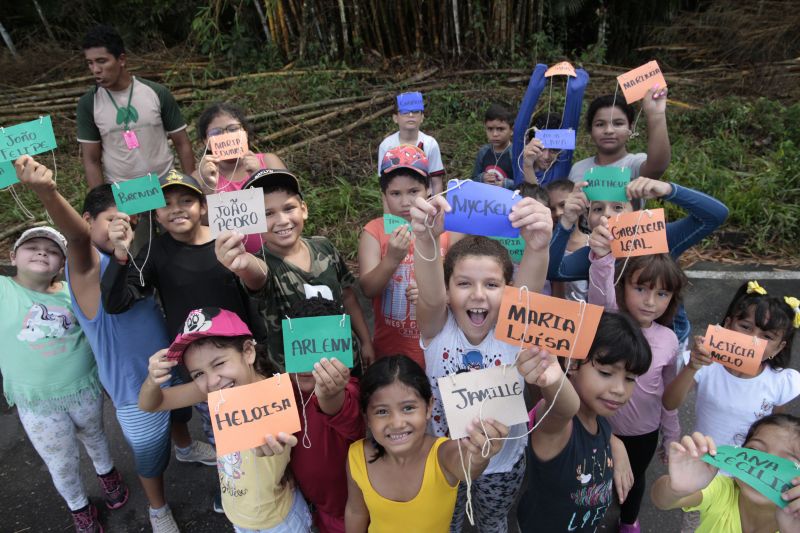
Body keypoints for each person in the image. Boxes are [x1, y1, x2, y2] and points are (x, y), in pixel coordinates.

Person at [14, 156, 211, 531]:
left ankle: (185, 448)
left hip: (172, 365)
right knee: (151, 456)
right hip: (135, 390)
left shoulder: (134, 259)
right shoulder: (87, 268)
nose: (125, 224)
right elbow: (74, 236)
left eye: (131, 219)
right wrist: (48, 192)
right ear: (90, 221)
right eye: (112, 219)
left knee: (180, 417)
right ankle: (157, 508)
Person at [409, 190, 552, 532]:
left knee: (493, 523)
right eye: (463, 283)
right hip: (446, 458)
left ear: (510, 289)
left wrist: (539, 245)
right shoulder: (436, 328)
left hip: (502, 465)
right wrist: (426, 240)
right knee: (448, 522)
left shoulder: (512, 330)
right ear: (447, 290)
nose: (477, 294)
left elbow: (529, 287)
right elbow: (428, 295)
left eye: (491, 284)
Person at [0, 225, 127, 533]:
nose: (43, 251)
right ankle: (79, 507)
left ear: (62, 264)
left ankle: (107, 473)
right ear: (13, 257)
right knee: (61, 462)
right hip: (38, 403)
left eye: (54, 250)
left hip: (85, 388)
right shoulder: (4, 290)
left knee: (95, 435)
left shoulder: (73, 291)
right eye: (32, 246)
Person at [139, 308, 312, 532]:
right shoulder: (212, 392)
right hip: (238, 514)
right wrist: (152, 380)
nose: (212, 380)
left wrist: (280, 452)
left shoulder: (276, 393)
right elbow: (150, 404)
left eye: (219, 363)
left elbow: (296, 445)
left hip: (279, 520)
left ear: (248, 351)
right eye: (198, 374)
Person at [213, 168, 373, 371]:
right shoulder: (262, 264)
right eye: (268, 213)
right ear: (254, 222)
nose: (282, 220)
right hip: (299, 378)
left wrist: (366, 341)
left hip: (346, 363)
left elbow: (348, 297)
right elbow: (256, 275)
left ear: (304, 209)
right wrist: (243, 263)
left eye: (288, 208)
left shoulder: (324, 246)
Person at [548, 176, 729, 345]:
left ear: (635, 212)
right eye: (597, 209)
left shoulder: (657, 237)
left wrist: (668, 190)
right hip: (619, 344)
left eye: (618, 207)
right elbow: (553, 271)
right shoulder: (592, 254)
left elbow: (716, 215)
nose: (607, 215)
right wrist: (566, 222)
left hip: (668, 341)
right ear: (587, 218)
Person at [516, 312, 653, 532]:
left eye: (630, 379)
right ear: (572, 363)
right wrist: (553, 376)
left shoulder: (599, 419)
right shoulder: (558, 426)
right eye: (606, 372)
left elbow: (604, 433)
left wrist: (617, 446)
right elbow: (563, 409)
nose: (619, 389)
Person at [587, 243, 688, 532]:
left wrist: (672, 436)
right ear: (622, 286)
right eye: (640, 288)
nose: (650, 302)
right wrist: (603, 257)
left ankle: (628, 520)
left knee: (635, 480)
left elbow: (669, 396)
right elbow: (599, 293)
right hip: (599, 426)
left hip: (644, 432)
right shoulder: (609, 322)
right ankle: (588, 517)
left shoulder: (669, 339)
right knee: (592, 478)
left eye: (662, 293)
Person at [344, 355, 509, 532]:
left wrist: (478, 455)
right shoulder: (357, 457)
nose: (397, 423)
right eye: (382, 411)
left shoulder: (442, 455)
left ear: (429, 407)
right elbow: (356, 512)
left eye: (408, 408)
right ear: (366, 417)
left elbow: (468, 464)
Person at [100, 170, 263, 341]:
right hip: (193, 356)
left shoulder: (229, 240)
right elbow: (116, 303)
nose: (176, 209)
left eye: (186, 201)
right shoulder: (154, 252)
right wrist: (120, 253)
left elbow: (258, 291)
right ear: (157, 216)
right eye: (166, 204)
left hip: (241, 345)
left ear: (203, 207)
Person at [662, 281, 800, 447]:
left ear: (779, 348)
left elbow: (774, 428)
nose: (753, 339)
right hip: (703, 461)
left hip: (746, 468)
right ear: (727, 325)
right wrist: (692, 366)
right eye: (745, 327)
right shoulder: (706, 364)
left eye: (767, 336)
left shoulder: (780, 381)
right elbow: (669, 403)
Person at [359, 146, 448, 369]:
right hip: (391, 349)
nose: (405, 202)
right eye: (395, 194)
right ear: (384, 196)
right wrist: (391, 259)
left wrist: (434, 293)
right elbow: (368, 289)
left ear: (428, 189)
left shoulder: (444, 230)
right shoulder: (374, 231)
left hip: (439, 346)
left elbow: (460, 282)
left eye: (413, 191)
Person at [284, 296, 365, 533]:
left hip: (350, 515)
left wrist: (330, 393)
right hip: (311, 507)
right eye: (301, 348)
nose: (312, 366)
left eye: (322, 350)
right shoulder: (285, 390)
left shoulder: (349, 391)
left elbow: (336, 404)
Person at [77, 25, 194, 189]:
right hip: (125, 192)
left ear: (122, 59)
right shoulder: (89, 103)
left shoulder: (156, 93)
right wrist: (100, 203)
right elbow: (91, 159)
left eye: (102, 61)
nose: (95, 70)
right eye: (90, 63)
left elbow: (182, 143)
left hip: (165, 184)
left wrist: (191, 186)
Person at [651, 415, 800, 532]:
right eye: (755, 452)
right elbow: (661, 500)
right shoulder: (724, 490)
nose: (765, 470)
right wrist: (675, 489)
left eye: (787, 464)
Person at [195, 102, 287, 253]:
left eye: (232, 129)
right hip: (231, 261)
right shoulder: (200, 176)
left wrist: (258, 176)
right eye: (216, 133)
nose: (226, 136)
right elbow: (202, 225)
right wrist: (209, 187)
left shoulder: (269, 161)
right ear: (206, 142)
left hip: (279, 252)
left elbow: (289, 205)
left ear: (245, 133)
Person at [568, 89, 670, 184]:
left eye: (618, 123)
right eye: (600, 124)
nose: (609, 131)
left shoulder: (634, 164)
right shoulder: (578, 168)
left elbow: (657, 166)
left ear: (630, 127)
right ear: (590, 129)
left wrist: (656, 115)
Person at [377, 92, 445, 194]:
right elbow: (384, 186)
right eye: (405, 112)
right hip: (397, 203)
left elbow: (436, 182)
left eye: (416, 111)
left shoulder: (430, 144)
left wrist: (436, 208)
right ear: (395, 118)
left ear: (422, 117)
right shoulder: (386, 146)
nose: (410, 115)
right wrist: (387, 210)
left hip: (426, 204)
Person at [545, 179, 589, 301]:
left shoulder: (594, 246)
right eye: (552, 208)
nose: (558, 213)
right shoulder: (542, 246)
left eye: (563, 205)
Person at [472, 102, 515, 189]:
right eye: (490, 129)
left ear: (512, 130)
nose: (494, 134)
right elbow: (473, 180)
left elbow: (524, 185)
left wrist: (507, 184)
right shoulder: (483, 152)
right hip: (486, 200)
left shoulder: (516, 154)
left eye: (500, 129)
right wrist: (482, 178)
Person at [521, 112, 565, 186]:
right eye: (540, 148)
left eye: (554, 149)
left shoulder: (562, 167)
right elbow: (519, 126)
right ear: (529, 142)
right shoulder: (519, 161)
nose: (546, 156)